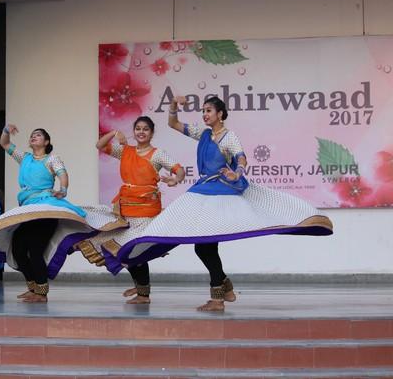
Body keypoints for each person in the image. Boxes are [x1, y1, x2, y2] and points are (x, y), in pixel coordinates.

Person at [98, 96, 333, 312]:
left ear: (220, 114)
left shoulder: (228, 137)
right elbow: (174, 124)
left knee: (205, 247)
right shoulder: (204, 134)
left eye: (209, 111)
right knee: (203, 246)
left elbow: (241, 157)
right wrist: (173, 106)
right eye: (203, 111)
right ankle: (223, 288)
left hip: (220, 193)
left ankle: (219, 296)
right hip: (204, 191)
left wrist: (236, 172)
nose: (205, 114)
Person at [0, 124, 126, 303]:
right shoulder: (25, 158)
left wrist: (63, 189)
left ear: (46, 141)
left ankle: (41, 292)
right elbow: (5, 144)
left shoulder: (52, 159)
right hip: (28, 211)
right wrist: (5, 131)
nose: (33, 136)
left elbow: (63, 174)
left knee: (35, 250)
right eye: (32, 135)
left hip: (46, 209)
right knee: (18, 249)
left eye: (38, 135)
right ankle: (33, 288)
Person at [78, 116, 184, 304]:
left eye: (146, 129)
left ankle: (143, 293)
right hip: (125, 210)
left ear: (152, 133)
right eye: (138, 129)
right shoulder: (125, 151)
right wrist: (114, 133)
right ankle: (141, 288)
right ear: (134, 132)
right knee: (123, 249)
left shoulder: (158, 154)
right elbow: (99, 145)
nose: (141, 132)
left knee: (134, 249)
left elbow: (180, 170)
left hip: (146, 212)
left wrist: (175, 179)